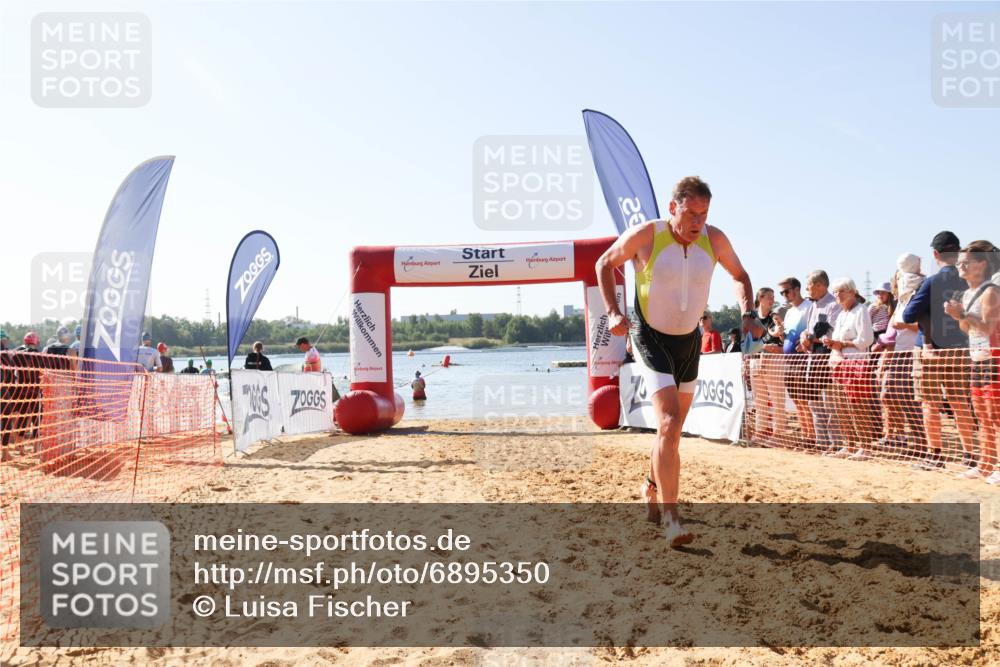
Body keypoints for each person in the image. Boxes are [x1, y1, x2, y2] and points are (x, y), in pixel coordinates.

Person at [595, 175, 752, 547]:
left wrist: (748, 312)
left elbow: (741, 276)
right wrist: (614, 311)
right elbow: (604, 263)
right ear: (673, 208)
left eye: (704, 213)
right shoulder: (647, 235)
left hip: (689, 342)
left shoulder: (715, 239)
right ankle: (672, 517)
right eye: (692, 213)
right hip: (649, 336)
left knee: (674, 429)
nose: (698, 222)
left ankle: (651, 486)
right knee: (669, 421)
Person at [902, 231, 977, 471]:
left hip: (930, 350)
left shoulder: (932, 281)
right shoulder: (968, 280)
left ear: (935, 253)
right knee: (960, 403)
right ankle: (970, 455)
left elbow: (908, 315)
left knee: (930, 404)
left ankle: (935, 456)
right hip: (960, 349)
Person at [944, 240, 1000, 484]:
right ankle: (985, 464)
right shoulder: (967, 293)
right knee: (981, 413)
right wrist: (958, 315)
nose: (961, 267)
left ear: (982, 264)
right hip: (976, 357)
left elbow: (989, 327)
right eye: (959, 263)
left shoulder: (990, 292)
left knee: (994, 415)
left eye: (966, 262)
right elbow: (967, 329)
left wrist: (963, 314)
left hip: (994, 357)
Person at [822, 278, 876, 459]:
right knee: (841, 407)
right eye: (836, 292)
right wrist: (831, 343)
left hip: (856, 364)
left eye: (842, 291)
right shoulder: (841, 314)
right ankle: (849, 445)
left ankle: (865, 447)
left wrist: (842, 343)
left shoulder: (861, 311)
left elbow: (866, 340)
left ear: (853, 292)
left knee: (858, 406)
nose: (838, 295)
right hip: (838, 364)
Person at [798, 270, 843, 452]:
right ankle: (821, 442)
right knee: (814, 403)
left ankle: (835, 443)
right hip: (812, 359)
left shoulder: (833, 305)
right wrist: (804, 336)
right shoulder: (812, 306)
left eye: (809, 285)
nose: (807, 289)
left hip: (827, 357)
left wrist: (810, 338)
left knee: (830, 403)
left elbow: (831, 333)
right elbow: (808, 330)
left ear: (820, 285)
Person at [778, 276, 815, 447]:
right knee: (796, 400)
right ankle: (805, 435)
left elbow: (813, 330)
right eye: (782, 292)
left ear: (797, 289)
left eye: (786, 291)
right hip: (789, 360)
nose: (784, 295)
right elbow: (787, 335)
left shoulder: (809, 307)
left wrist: (806, 341)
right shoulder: (790, 311)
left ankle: (811, 438)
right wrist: (780, 334)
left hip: (803, 360)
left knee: (804, 399)